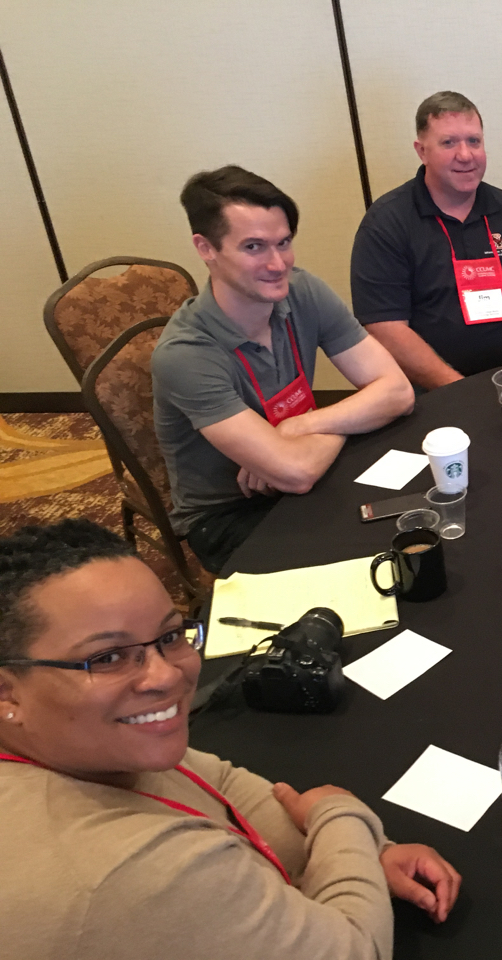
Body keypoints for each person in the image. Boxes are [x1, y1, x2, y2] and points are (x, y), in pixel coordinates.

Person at [0, 519, 461, 960]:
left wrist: (364, 853)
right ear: (8, 692)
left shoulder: (72, 745)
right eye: (107, 658)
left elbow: (216, 780)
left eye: (169, 635)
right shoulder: (123, 875)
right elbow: (356, 950)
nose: (165, 675)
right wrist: (339, 816)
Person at [152, 166, 415, 574]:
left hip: (301, 469)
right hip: (231, 513)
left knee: (415, 522)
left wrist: (298, 428)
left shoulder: (303, 290)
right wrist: (330, 426)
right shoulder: (186, 353)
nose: (278, 264)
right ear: (206, 248)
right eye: (254, 247)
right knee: (367, 568)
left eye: (284, 242)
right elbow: (295, 474)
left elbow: (399, 392)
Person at [351, 91, 502, 389]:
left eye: (474, 141)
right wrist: (462, 390)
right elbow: (385, 327)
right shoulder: (386, 223)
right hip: (432, 392)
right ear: (422, 151)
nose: (465, 155)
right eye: (448, 142)